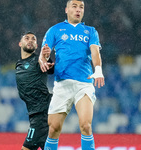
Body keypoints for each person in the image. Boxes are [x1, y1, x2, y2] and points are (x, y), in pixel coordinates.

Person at [38, 0, 105, 149]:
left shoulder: (90, 31)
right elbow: (43, 54)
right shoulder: (55, 30)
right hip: (62, 84)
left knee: (86, 125)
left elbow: (95, 52)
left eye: (81, 7)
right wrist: (44, 60)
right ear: (66, 9)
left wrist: (98, 70)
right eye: (74, 6)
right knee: (54, 128)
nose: (78, 10)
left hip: (84, 84)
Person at [15, 31, 54, 150]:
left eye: (33, 39)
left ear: (37, 46)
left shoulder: (38, 60)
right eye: (27, 38)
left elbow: (49, 67)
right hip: (34, 112)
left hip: (41, 112)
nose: (30, 40)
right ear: (20, 43)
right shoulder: (19, 63)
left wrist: (47, 58)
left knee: (26, 148)